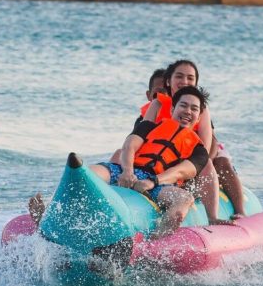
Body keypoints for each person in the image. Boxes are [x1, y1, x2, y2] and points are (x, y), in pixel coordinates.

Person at [91, 85, 211, 237]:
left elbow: (180, 171)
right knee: (89, 172)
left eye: (194, 109)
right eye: (183, 105)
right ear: (172, 109)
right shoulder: (149, 126)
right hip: (127, 171)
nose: (188, 111)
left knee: (184, 199)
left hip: (161, 184)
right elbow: (129, 146)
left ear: (199, 117)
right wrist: (127, 171)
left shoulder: (199, 150)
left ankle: (155, 244)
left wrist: (153, 181)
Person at [142, 60, 247, 223]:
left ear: (196, 83)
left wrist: (189, 169)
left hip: (200, 152)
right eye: (179, 76)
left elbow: (206, 146)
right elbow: (141, 136)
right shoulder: (158, 104)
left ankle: (239, 211)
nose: (184, 82)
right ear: (168, 81)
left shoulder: (199, 107)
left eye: (190, 78)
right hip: (168, 152)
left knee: (220, 162)